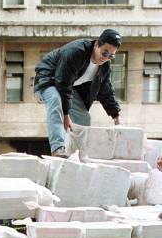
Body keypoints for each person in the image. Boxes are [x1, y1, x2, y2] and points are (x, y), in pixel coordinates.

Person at [34, 29, 122, 158]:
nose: (106, 58)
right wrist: (66, 114)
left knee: (83, 118)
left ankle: (79, 154)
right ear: (97, 44)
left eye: (111, 56)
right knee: (55, 100)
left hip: (68, 87)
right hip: (48, 79)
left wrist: (116, 116)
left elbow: (106, 90)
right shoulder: (76, 51)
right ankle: (58, 148)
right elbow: (62, 83)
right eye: (105, 53)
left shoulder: (104, 66)